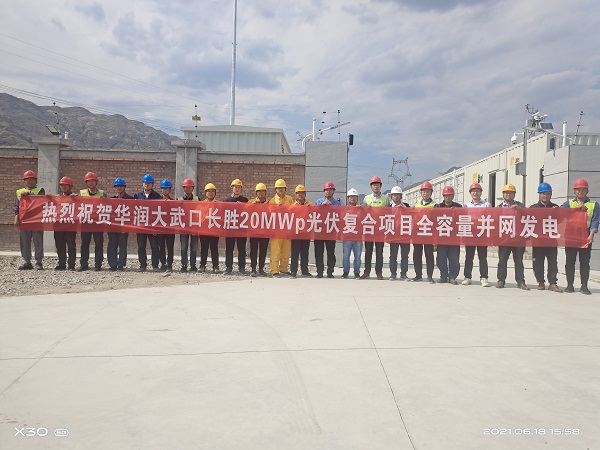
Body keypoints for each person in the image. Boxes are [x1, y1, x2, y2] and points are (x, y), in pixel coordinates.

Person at [561, 178, 599, 295]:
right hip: (571, 236)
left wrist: (591, 234)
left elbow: (595, 220)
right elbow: (560, 213)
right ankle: (570, 285)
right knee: (570, 262)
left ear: (587, 191)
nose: (580, 192)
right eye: (578, 190)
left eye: (583, 190)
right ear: (574, 191)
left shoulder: (594, 205)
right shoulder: (568, 204)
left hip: (585, 236)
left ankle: (584, 286)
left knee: (584, 262)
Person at [496, 183, 529, 290]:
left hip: (518, 239)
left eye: (511, 193)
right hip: (504, 238)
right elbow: (495, 222)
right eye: (506, 193)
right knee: (502, 260)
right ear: (503, 194)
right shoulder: (498, 208)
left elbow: (528, 217)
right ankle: (501, 280)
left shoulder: (520, 205)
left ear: (514, 194)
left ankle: (520, 281)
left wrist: (519, 210)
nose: (508, 195)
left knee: (519, 261)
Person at [530, 182, 562, 293]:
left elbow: (561, 221)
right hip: (538, 241)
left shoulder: (555, 207)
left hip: (551, 240)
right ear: (539, 194)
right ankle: (540, 282)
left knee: (552, 262)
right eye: (543, 194)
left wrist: (557, 213)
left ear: (551, 194)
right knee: (538, 262)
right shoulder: (533, 208)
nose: (545, 196)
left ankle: (552, 283)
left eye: (548, 194)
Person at [14, 170, 45, 270]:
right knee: (24, 241)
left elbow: (40, 201)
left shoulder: (40, 190)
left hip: (36, 220)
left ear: (36, 181)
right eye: (28, 179)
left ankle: (38, 262)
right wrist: (16, 217)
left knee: (38, 241)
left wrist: (29, 194)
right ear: (24, 181)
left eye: (32, 179)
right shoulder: (19, 192)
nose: (30, 181)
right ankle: (27, 261)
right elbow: (16, 206)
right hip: (24, 220)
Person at [462, 183, 491, 287]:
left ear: (481, 192)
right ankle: (467, 277)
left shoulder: (486, 205)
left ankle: (484, 277)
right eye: (473, 191)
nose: (475, 193)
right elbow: (463, 219)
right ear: (470, 193)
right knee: (469, 257)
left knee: (482, 257)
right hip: (470, 235)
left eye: (477, 191)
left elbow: (490, 218)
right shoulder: (466, 206)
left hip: (482, 234)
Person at [361, 176, 389, 280]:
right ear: (371, 186)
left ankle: (379, 272)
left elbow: (388, 213)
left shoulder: (385, 198)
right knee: (368, 251)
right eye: (373, 185)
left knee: (379, 252)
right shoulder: (366, 198)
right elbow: (363, 213)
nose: (375, 186)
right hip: (369, 229)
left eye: (377, 184)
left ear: (380, 186)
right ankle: (366, 271)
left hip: (380, 229)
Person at [78, 171, 107, 271]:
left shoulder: (102, 194)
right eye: (89, 181)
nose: (91, 183)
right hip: (86, 223)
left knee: (98, 244)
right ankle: (83, 264)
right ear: (86, 182)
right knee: (84, 244)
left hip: (98, 223)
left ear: (96, 182)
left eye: (93, 181)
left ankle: (98, 264)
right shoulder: (82, 193)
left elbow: (108, 207)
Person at [133, 173, 161, 271]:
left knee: (154, 246)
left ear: (152, 184)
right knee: (141, 246)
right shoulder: (137, 195)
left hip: (152, 225)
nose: (147, 184)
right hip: (141, 225)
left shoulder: (157, 196)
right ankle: (143, 265)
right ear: (142, 184)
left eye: (149, 183)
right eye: (145, 182)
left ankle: (155, 265)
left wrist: (156, 227)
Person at [434, 186, 461, 284]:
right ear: (443, 196)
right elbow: (433, 219)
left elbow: (463, 219)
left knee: (454, 258)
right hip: (442, 237)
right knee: (441, 258)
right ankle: (443, 276)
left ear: (453, 196)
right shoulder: (438, 206)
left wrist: (456, 212)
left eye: (450, 195)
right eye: (446, 196)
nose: (448, 198)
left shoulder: (458, 207)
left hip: (454, 238)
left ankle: (452, 276)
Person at [314, 181, 341, 278]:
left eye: (330, 190)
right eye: (326, 190)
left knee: (330, 253)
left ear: (333, 191)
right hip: (319, 231)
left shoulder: (337, 203)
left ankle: (330, 272)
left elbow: (339, 215)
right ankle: (319, 272)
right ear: (324, 191)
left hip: (330, 231)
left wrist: (331, 207)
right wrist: (321, 206)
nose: (328, 192)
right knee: (318, 252)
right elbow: (313, 213)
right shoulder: (318, 201)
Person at [412, 181, 437, 283]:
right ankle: (418, 275)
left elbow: (437, 221)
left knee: (429, 255)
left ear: (431, 193)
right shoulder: (417, 204)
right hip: (418, 233)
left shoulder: (435, 205)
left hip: (429, 234)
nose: (425, 193)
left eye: (427, 191)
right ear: (421, 193)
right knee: (417, 255)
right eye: (424, 191)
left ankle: (430, 276)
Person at [269, 178, 294, 277]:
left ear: (285, 189)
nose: (280, 190)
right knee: (276, 250)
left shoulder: (289, 199)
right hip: (276, 230)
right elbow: (269, 215)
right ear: (275, 189)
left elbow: (295, 210)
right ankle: (274, 270)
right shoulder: (273, 201)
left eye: (282, 188)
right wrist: (276, 209)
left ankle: (284, 268)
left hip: (287, 229)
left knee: (285, 250)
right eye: (278, 188)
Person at [223, 178, 249, 274]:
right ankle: (228, 267)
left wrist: (243, 205)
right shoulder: (226, 201)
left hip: (241, 228)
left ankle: (241, 267)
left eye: (239, 187)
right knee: (229, 248)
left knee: (241, 249)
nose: (237, 189)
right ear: (232, 188)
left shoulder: (245, 200)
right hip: (230, 228)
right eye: (235, 187)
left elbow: (249, 211)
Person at [107, 177, 133, 271]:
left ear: (124, 187)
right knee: (112, 245)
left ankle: (121, 264)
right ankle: (112, 264)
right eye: (117, 186)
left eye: (121, 186)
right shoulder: (111, 199)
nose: (119, 188)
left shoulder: (130, 199)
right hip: (113, 226)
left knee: (123, 245)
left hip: (124, 226)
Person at [290, 184, 314, 279]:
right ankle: (293, 271)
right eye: (298, 193)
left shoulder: (310, 205)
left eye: (302, 193)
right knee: (294, 253)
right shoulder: (292, 206)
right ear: (296, 194)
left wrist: (310, 209)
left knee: (305, 253)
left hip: (306, 233)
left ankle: (305, 271)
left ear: (305, 194)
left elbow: (317, 213)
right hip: (295, 233)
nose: (300, 195)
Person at [53, 176, 77, 271]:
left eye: (66, 185)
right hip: (58, 226)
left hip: (70, 226)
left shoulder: (75, 197)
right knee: (60, 245)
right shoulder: (57, 198)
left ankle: (71, 264)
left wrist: (75, 199)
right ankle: (61, 263)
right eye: (62, 185)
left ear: (70, 186)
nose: (63, 187)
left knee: (71, 246)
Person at [388, 186, 410, 281]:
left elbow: (412, 216)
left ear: (401, 196)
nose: (396, 197)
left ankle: (403, 274)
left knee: (404, 255)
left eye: (398, 195)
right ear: (391, 196)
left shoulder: (406, 206)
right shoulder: (388, 208)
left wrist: (404, 210)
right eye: (394, 195)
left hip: (405, 234)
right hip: (394, 234)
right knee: (393, 255)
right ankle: (393, 274)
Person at [249, 182, 270, 277]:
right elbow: (245, 211)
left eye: (262, 191)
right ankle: (253, 269)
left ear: (265, 192)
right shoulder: (251, 202)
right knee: (253, 250)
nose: (261, 193)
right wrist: (254, 205)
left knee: (263, 251)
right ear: (256, 193)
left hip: (265, 231)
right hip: (254, 231)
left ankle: (261, 269)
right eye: (259, 191)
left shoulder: (270, 203)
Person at [178, 178, 199, 273]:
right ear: (183, 188)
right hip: (183, 227)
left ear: (193, 188)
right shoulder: (179, 199)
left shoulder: (197, 199)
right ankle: (184, 265)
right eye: (186, 187)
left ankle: (193, 265)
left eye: (190, 187)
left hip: (194, 227)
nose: (188, 189)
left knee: (194, 248)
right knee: (183, 247)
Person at [200, 183, 221, 273]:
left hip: (214, 230)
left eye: (212, 191)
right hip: (204, 230)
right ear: (205, 193)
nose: (210, 193)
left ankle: (215, 266)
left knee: (214, 248)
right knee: (204, 248)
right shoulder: (201, 204)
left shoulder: (219, 204)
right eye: (208, 191)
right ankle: (202, 265)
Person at [342, 188, 363, 279]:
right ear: (348, 198)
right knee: (346, 256)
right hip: (347, 236)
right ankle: (346, 272)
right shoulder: (344, 209)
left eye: (354, 197)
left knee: (357, 257)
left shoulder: (361, 209)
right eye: (351, 197)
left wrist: (362, 210)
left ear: (357, 198)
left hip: (358, 237)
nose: (352, 198)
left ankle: (357, 272)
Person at [156, 179, 175, 272]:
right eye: (163, 188)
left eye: (167, 189)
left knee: (170, 247)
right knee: (161, 247)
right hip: (160, 228)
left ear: (170, 190)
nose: (165, 190)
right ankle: (163, 263)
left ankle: (169, 265)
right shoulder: (156, 202)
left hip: (170, 229)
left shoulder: (174, 202)